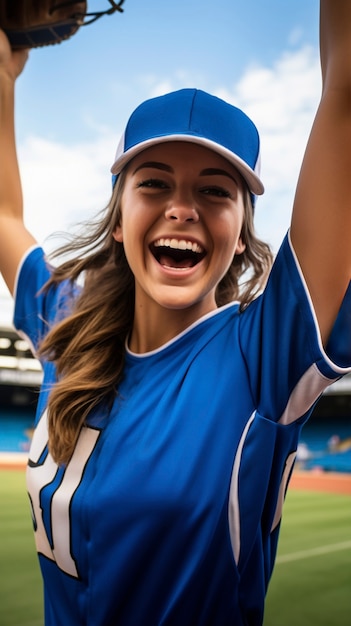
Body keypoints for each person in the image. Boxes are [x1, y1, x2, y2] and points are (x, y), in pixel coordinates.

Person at [0, 2, 351, 624]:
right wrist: (4, 71)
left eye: (216, 190)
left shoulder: (264, 355)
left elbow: (345, 90)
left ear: (243, 231)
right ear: (119, 217)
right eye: (154, 183)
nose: (182, 208)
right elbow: (4, 219)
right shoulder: (68, 320)